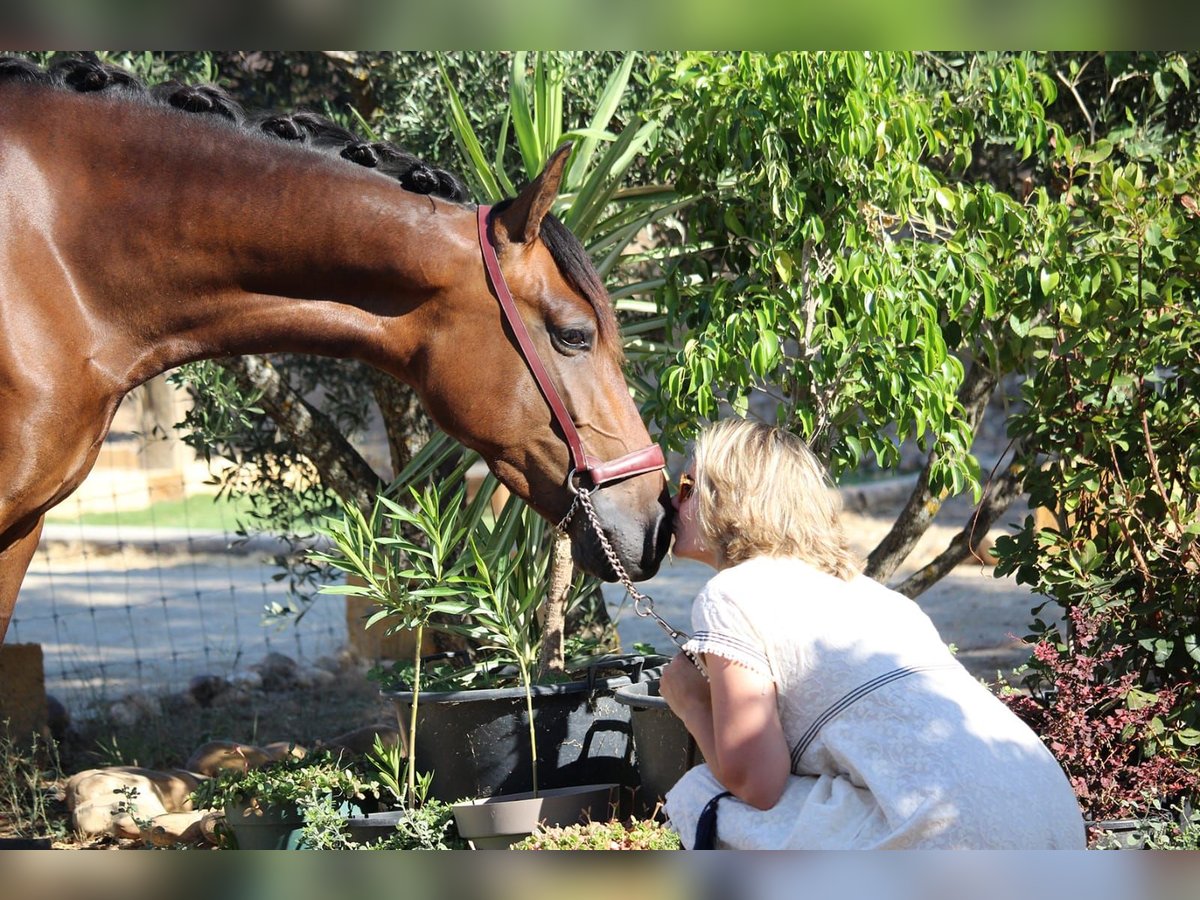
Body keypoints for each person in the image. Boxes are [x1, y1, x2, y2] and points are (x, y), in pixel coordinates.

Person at [657, 419, 1085, 849]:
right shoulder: (878, 597)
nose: (673, 503)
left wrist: (691, 702)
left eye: (688, 485)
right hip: (1057, 825)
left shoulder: (732, 593)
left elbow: (757, 784)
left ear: (729, 498)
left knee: (706, 794)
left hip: (964, 848)